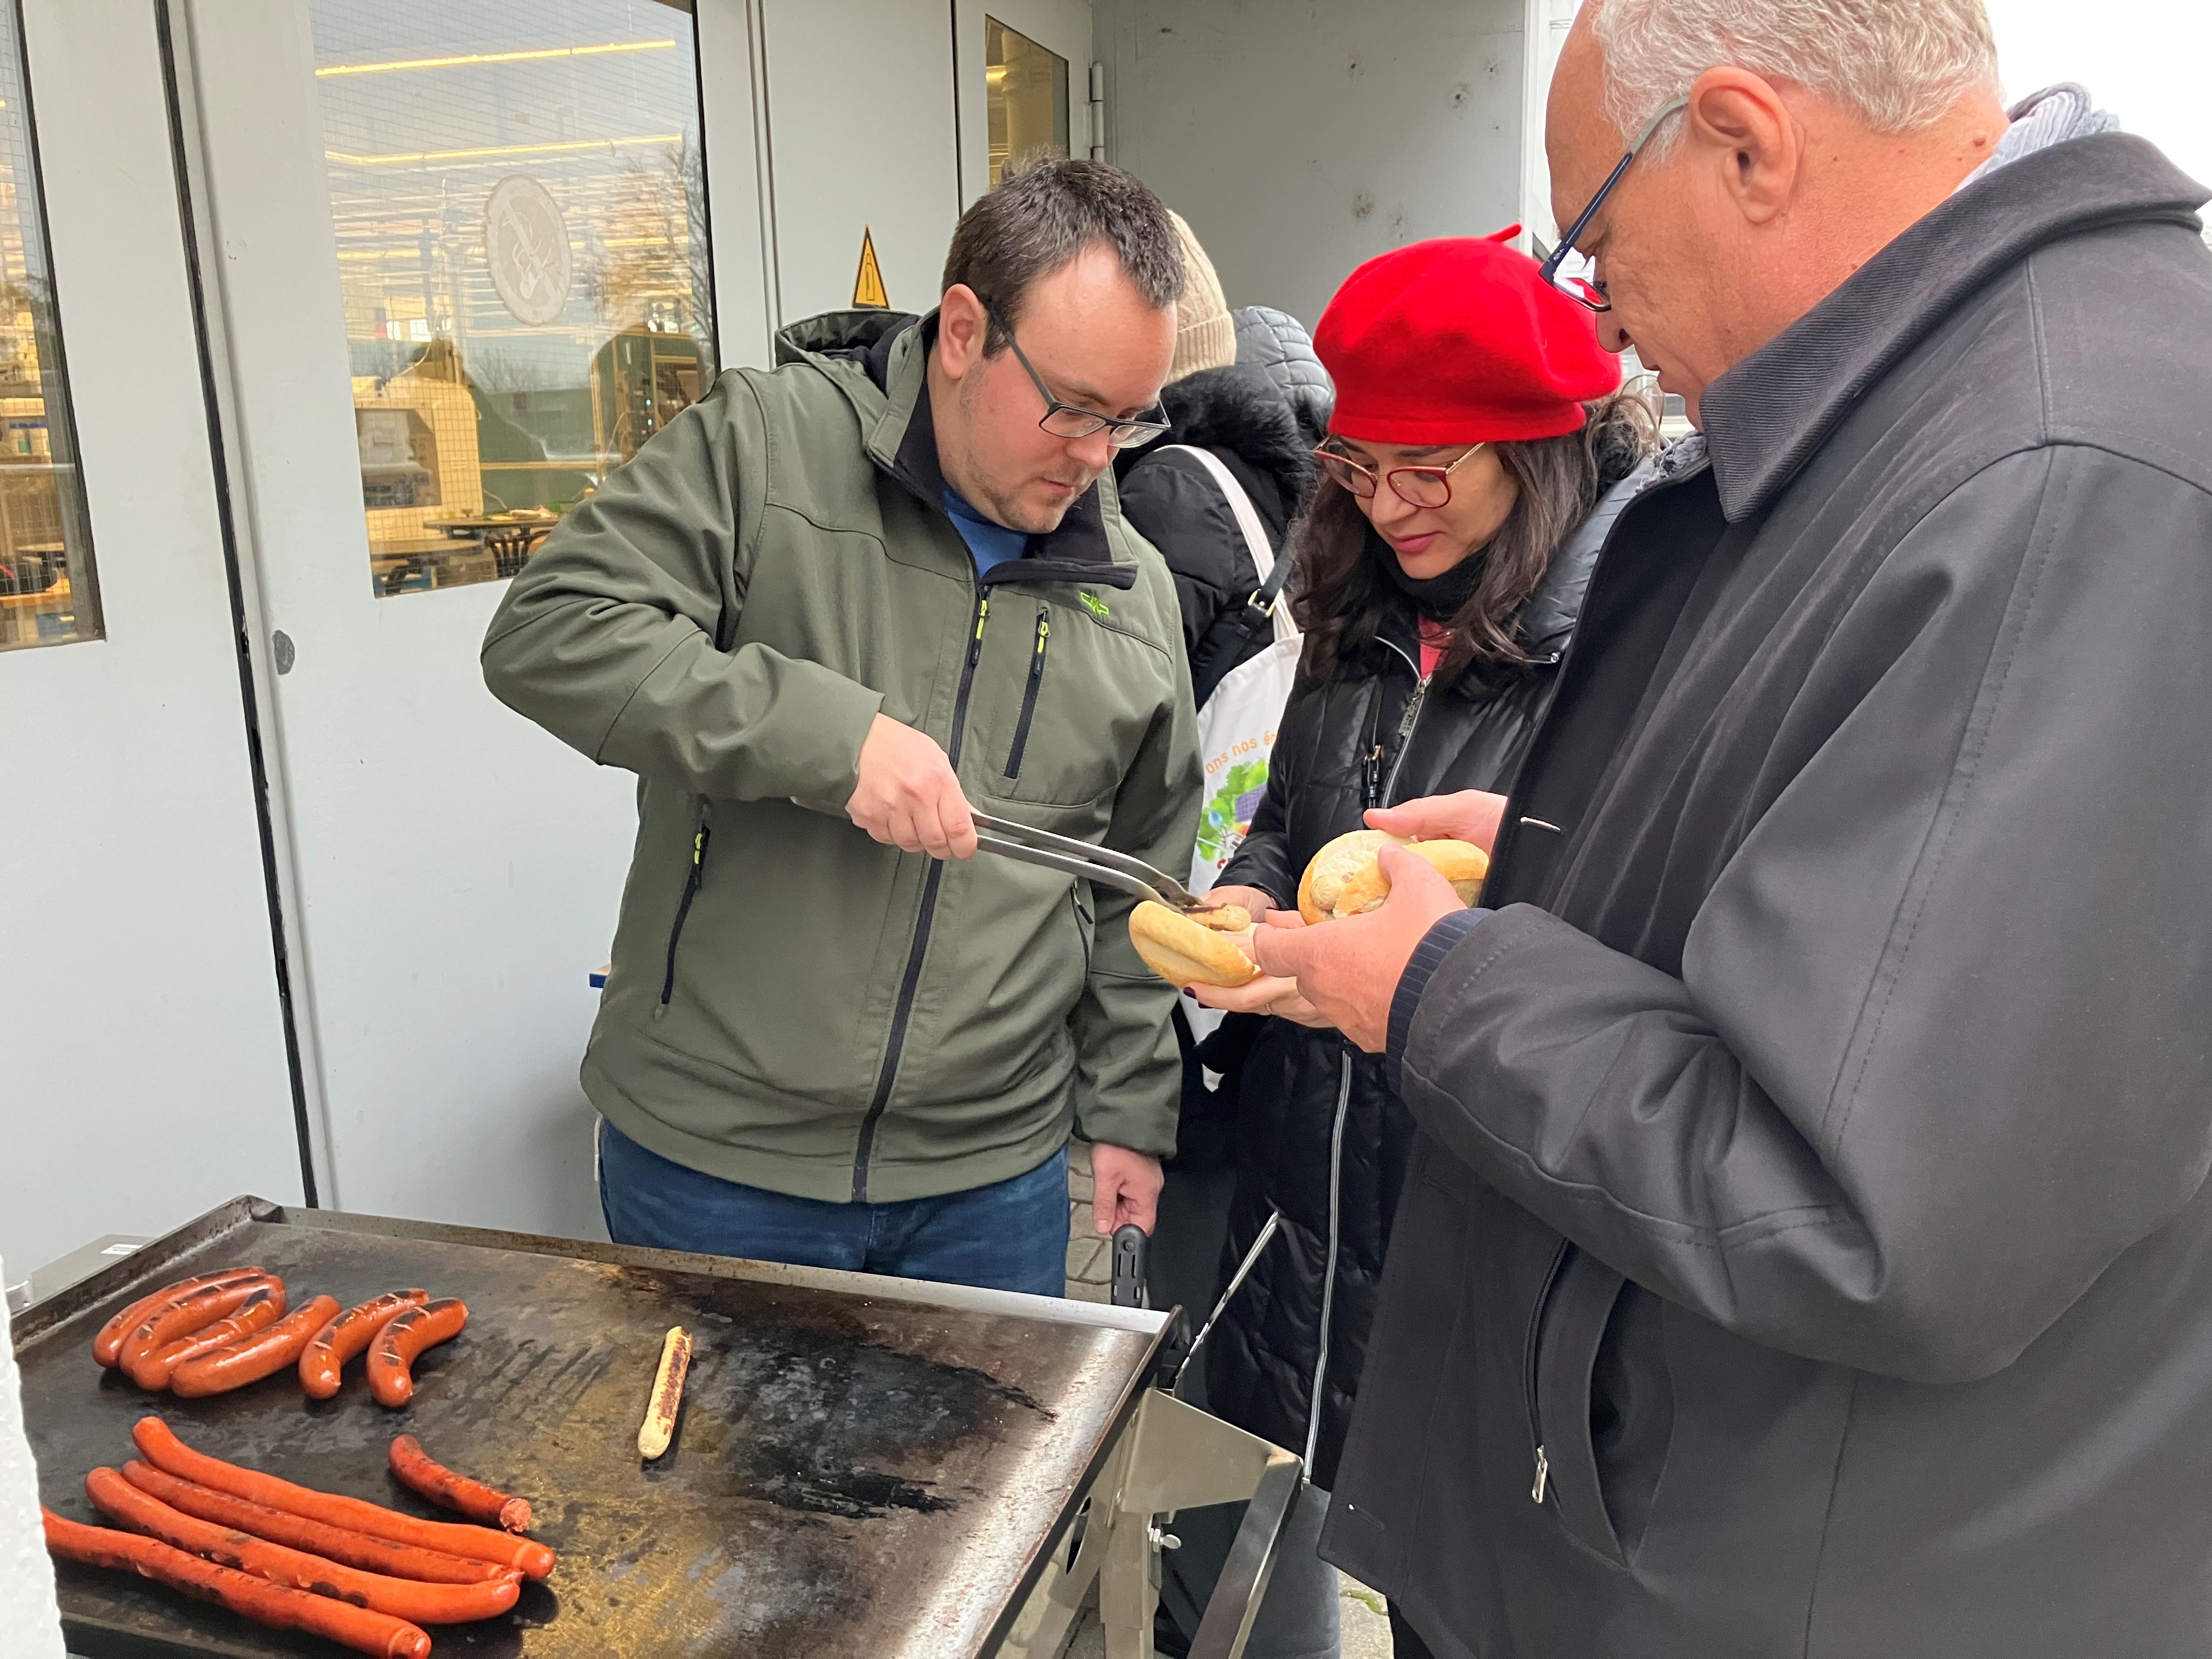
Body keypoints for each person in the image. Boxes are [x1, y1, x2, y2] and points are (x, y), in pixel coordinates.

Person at [1251, 3, 2212, 1655]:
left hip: (1796, 1575)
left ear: (1747, 146)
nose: (1603, 322)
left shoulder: (2066, 475)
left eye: (1597, 246)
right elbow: (1872, 921)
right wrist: (1578, 841)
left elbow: (1860, 1200)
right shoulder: (1941, 415)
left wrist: (1438, 983)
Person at [481, 157, 1201, 1299]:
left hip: (992, 1182)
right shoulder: (763, 451)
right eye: (1069, 407)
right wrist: (824, 738)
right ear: (964, 331)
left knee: (970, 1484)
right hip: (717, 1159)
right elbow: (549, 631)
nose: (1094, 457)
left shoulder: (1135, 590)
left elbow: (1139, 881)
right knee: (712, 1482)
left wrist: (1127, 1113)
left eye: (1126, 419)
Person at [1161, 234, 1657, 1659]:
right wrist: (1249, 902)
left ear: (1539, 447)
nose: (1387, 510)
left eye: (1427, 470)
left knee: (1483, 1598)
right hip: (1313, 1200)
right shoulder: (1351, 616)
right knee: (1307, 1542)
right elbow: (1292, 821)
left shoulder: (1624, 644)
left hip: (1489, 1225)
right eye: (1360, 468)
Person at [1110, 211, 1330, 1339]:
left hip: (1192, 930)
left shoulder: (1165, 500)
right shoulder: (1307, 491)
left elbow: (1126, 735)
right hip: (1281, 918)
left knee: (1184, 1249)